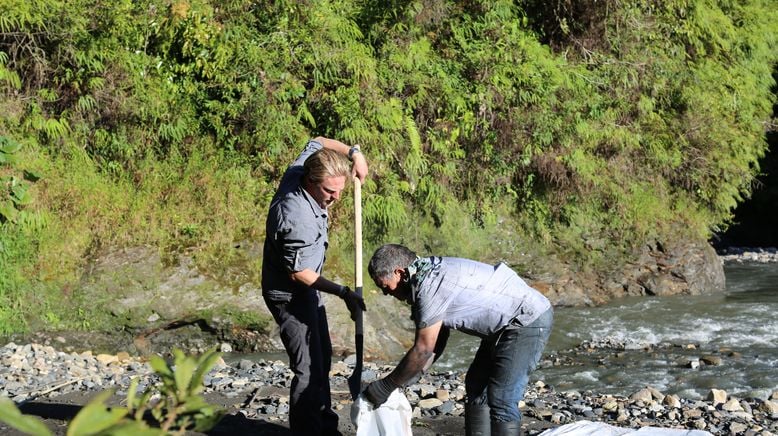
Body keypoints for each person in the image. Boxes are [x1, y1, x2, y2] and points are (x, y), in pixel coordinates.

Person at [362, 244, 553, 436]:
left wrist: (386, 386)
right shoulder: (423, 275)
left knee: (502, 397)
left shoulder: (430, 286)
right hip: (502, 324)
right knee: (476, 384)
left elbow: (423, 350)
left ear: (399, 273)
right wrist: (407, 379)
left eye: (385, 286)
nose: (386, 293)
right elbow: (438, 339)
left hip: (527, 319)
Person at [262, 136, 368, 435]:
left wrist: (354, 154)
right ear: (310, 180)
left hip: (308, 291)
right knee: (308, 371)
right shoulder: (297, 217)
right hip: (290, 295)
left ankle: (326, 427)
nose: (335, 198)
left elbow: (317, 140)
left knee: (322, 359)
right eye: (329, 191)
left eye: (340, 190)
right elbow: (299, 274)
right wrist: (344, 293)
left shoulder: (300, 170)